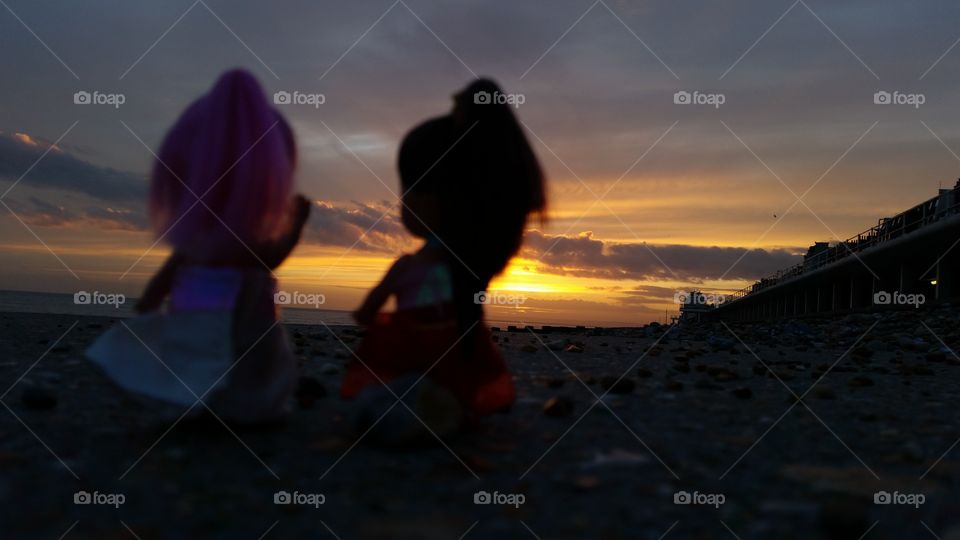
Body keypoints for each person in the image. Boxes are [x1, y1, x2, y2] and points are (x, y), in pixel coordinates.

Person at [86, 69, 311, 424]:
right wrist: (295, 228)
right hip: (224, 338)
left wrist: (149, 304)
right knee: (232, 365)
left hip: (212, 335)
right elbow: (270, 258)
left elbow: (160, 287)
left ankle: (204, 400)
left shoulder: (205, 248)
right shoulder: (223, 249)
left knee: (211, 364)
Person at [341, 78, 546, 444]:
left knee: (382, 404)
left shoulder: (409, 267)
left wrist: (375, 318)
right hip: (461, 367)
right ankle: (448, 407)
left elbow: (365, 314)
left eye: (406, 189)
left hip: (412, 359)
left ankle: (427, 410)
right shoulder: (473, 267)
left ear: (427, 198)